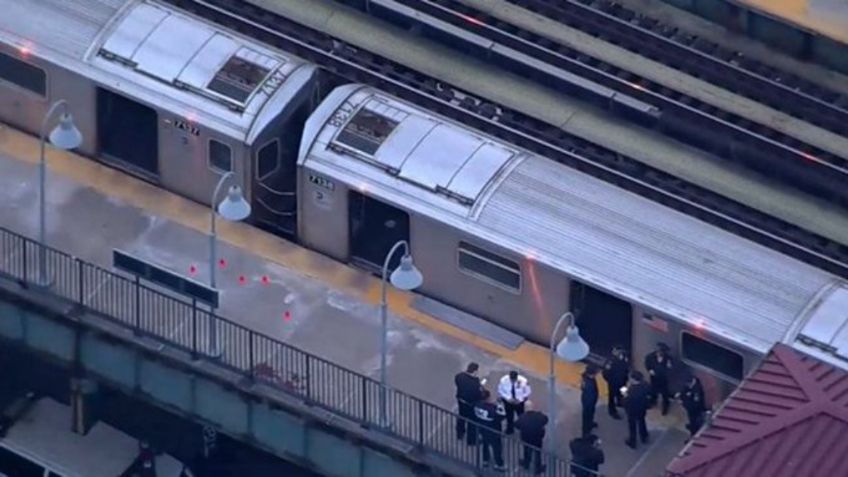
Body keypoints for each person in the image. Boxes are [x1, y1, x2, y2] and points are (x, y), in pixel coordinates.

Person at [473, 390, 507, 471]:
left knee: (485, 445)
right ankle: (499, 464)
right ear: (488, 398)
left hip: (482, 429)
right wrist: (499, 405)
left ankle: (485, 460)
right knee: (497, 448)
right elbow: (502, 415)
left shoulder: (477, 405)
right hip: (493, 431)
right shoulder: (492, 409)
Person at [454, 362, 485, 445]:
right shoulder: (475, 382)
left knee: (461, 417)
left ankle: (460, 434)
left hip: (461, 401)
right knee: (472, 422)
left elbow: (457, 383)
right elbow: (478, 395)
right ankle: (471, 440)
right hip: (470, 404)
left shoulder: (459, 376)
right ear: (475, 371)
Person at [514, 401, 548, 475]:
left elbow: (516, 425)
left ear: (525, 408)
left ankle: (526, 464)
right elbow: (546, 420)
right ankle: (537, 468)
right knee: (537, 453)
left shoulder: (522, 417)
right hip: (537, 438)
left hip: (526, 438)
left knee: (526, 450)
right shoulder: (539, 416)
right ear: (533, 407)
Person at [497, 370, 531, 435]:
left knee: (521, 416)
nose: (512, 382)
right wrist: (508, 398)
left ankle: (523, 430)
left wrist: (520, 399)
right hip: (508, 402)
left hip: (519, 402)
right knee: (509, 416)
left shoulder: (523, 381)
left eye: (514, 380)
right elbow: (500, 390)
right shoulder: (503, 380)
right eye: (511, 380)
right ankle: (510, 429)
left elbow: (527, 392)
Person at [623, 371, 651, 449]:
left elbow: (625, 401)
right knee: (642, 421)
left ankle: (632, 441)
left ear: (633, 379)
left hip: (632, 410)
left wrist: (624, 390)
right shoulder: (645, 385)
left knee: (632, 426)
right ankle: (644, 436)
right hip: (642, 408)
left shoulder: (631, 390)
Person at [644, 342, 674, 415]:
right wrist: (649, 370)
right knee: (653, 391)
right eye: (659, 352)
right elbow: (647, 363)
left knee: (665, 393)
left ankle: (665, 407)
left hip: (663, 378)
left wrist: (669, 366)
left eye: (662, 352)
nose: (660, 353)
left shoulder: (668, 358)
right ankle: (653, 402)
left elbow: (670, 367)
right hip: (654, 377)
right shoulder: (650, 356)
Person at [602, 345, 629, 419]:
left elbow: (626, 367)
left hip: (623, 381)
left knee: (623, 392)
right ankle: (612, 411)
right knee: (612, 397)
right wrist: (610, 380)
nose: (619, 352)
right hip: (613, 383)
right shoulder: (610, 361)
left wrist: (626, 376)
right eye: (618, 351)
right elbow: (605, 373)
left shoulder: (624, 357)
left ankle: (620, 402)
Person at [580, 364, 600, 436]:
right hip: (588, 402)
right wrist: (591, 402)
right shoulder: (589, 384)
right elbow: (590, 395)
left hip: (588, 400)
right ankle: (585, 431)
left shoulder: (586, 379)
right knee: (586, 415)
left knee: (590, 414)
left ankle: (590, 423)